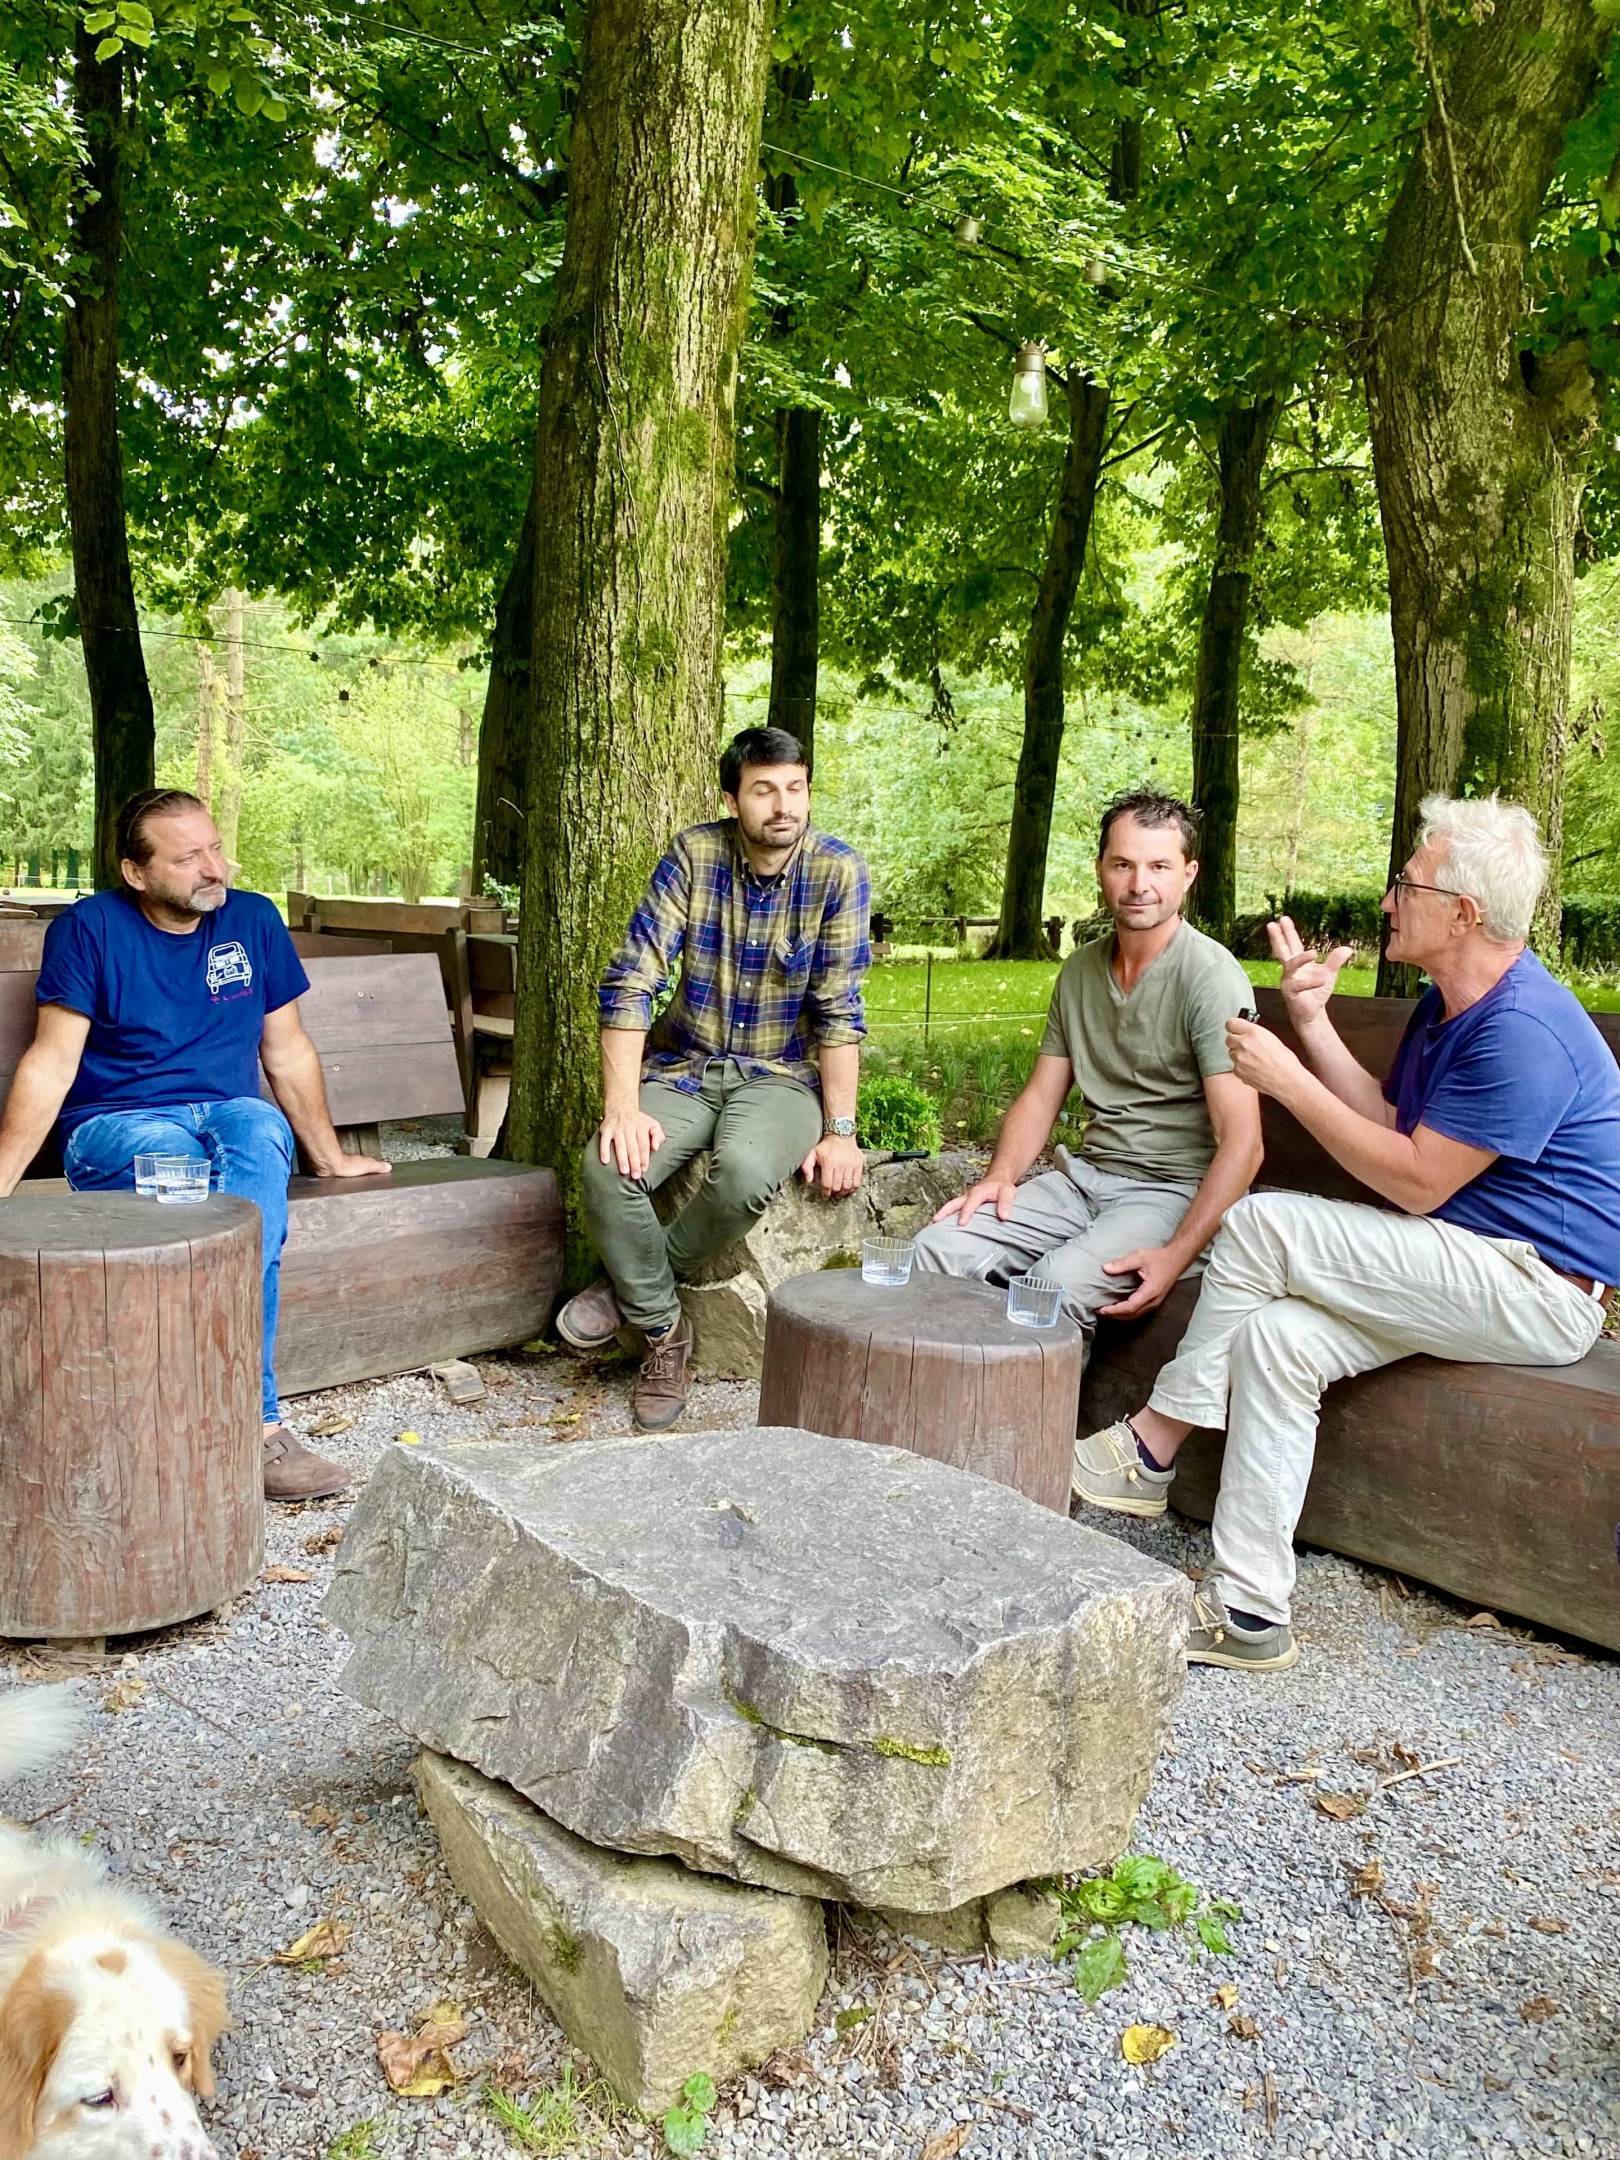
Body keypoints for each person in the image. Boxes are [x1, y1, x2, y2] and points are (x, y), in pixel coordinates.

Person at [1076, 794, 1620, 1674]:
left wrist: (1288, 1083)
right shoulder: (1450, 1005)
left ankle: (1152, 1444)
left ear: (1464, 912)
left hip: (1540, 1288)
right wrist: (1315, 1025)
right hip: (1462, 1260)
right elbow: (1390, 1118)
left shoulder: (1523, 1031)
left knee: (1260, 1223)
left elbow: (1414, 1180)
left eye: (1408, 883)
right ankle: (1252, 1611)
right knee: (1281, 1342)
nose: (1387, 899)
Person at [0, 789, 389, 1500]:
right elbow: (52, 1061)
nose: (215, 868)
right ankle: (248, 1427)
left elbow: (289, 1048)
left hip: (231, 1111)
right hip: (118, 1125)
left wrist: (329, 1157)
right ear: (137, 872)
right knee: (192, 1186)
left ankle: (242, 1422)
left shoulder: (252, 918)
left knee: (255, 1176)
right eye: (188, 858)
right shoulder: (89, 929)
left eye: (215, 847)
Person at [556, 726, 871, 1429]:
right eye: (764, 790)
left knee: (745, 1171)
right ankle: (666, 1332)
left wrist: (842, 1131)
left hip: (783, 1078)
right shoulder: (694, 855)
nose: (783, 805)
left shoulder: (838, 872)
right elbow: (631, 981)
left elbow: (840, 1010)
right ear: (733, 798)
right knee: (607, 1166)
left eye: (796, 788)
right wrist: (621, 1108)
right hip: (685, 1065)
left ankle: (627, 1285)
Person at [914, 791, 1263, 1363]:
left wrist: (1177, 1254)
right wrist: (1000, 1176)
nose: (1138, 884)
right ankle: (924, 1425)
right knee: (938, 1248)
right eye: (1123, 864)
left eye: (1159, 866)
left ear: (1189, 874)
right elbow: (1041, 1095)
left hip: (1170, 1194)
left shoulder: (1210, 976)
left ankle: (1021, 1444)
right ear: (1101, 868)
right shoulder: (1079, 971)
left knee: (1048, 1290)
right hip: (1084, 1180)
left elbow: (1244, 1144)